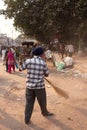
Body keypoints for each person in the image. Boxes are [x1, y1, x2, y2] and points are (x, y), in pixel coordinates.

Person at [19, 46, 54, 124]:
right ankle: (44, 112)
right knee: (42, 102)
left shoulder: (28, 61)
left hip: (29, 87)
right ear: (41, 54)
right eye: (43, 53)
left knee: (29, 103)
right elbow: (47, 74)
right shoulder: (43, 63)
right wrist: (41, 73)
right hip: (40, 87)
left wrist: (20, 62)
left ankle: (26, 119)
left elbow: (20, 69)